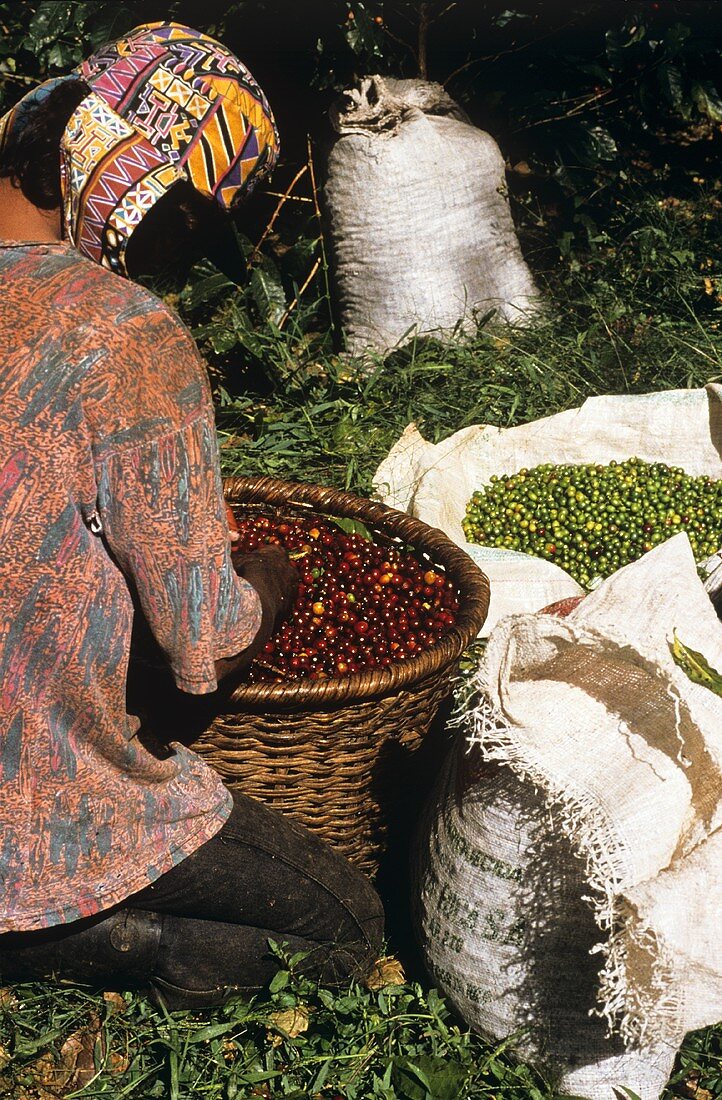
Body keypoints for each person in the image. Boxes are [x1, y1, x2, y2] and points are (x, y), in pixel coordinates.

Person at [0, 23, 384, 1010]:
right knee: (344, 933)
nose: (162, 258)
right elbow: (200, 636)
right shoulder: (116, 329)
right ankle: (66, 934)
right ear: (112, 168)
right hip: (34, 809)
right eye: (170, 216)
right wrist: (271, 579)